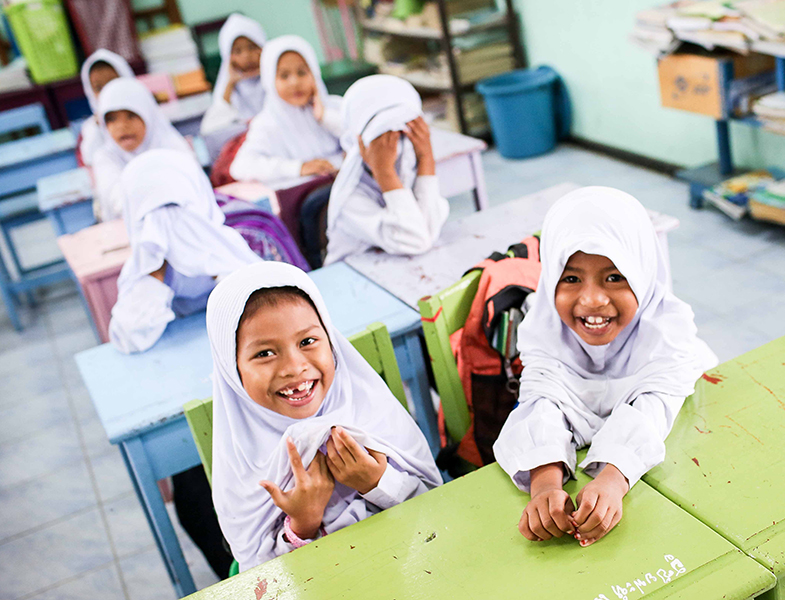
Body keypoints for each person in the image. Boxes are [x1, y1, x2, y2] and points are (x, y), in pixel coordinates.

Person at [493, 187, 718, 547]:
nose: (593, 300)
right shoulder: (545, 331)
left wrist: (614, 477)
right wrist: (545, 482)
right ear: (550, 279)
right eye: (571, 279)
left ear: (642, 275)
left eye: (615, 277)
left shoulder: (667, 334)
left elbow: (655, 407)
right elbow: (541, 402)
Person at [207, 261, 441, 570]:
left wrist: (376, 482)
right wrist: (303, 522)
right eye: (264, 353)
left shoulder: (369, 410)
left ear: (330, 340)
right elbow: (258, 573)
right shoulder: (243, 462)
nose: (293, 367)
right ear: (232, 369)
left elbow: (436, 503)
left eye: (307, 342)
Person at [108, 149, 260, 353]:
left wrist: (215, 263)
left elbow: (263, 305)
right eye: (152, 214)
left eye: (176, 207)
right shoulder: (143, 261)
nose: (167, 222)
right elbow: (127, 339)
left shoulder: (225, 243)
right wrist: (155, 272)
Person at [323, 75, 448, 264]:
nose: (395, 148)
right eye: (382, 140)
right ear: (359, 144)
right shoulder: (349, 198)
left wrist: (426, 158)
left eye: (405, 135)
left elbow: (429, 231)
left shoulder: (410, 171)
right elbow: (416, 241)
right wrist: (384, 172)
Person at [229, 36, 343, 183]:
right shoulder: (266, 122)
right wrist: (298, 168)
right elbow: (241, 167)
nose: (294, 83)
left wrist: (324, 116)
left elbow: (364, 141)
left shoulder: (334, 107)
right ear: (270, 80)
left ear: (314, 73)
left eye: (302, 73)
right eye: (284, 76)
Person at [91, 78, 193, 222]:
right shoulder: (105, 157)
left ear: (148, 114)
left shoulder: (171, 145)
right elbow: (118, 200)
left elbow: (188, 189)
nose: (122, 126)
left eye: (131, 116)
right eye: (112, 119)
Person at [199, 14, 267, 138]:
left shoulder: (275, 77)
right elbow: (212, 127)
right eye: (237, 51)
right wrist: (231, 83)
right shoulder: (228, 86)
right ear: (228, 58)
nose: (246, 55)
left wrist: (268, 70)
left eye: (252, 47)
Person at [78, 49, 135, 166]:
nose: (107, 91)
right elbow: (89, 160)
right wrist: (98, 127)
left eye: (113, 82)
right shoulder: (92, 127)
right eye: (98, 88)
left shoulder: (148, 115)